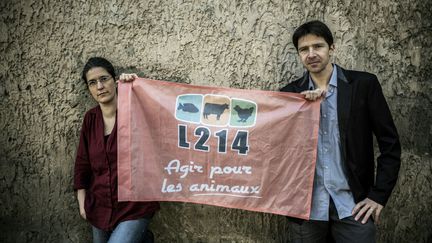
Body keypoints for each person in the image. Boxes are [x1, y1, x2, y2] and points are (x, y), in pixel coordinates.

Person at [280, 20, 401, 243]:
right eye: (304, 50)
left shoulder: (363, 85)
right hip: (306, 209)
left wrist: (378, 196)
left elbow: (390, 144)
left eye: (318, 46)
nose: (311, 54)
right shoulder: (290, 94)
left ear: (332, 48)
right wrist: (300, 109)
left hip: (352, 205)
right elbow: (275, 146)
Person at [74, 57, 159, 243]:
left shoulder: (135, 110)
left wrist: (135, 89)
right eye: (93, 83)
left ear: (115, 80)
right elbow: (82, 163)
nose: (100, 86)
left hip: (133, 207)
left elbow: (157, 119)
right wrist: (82, 202)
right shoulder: (90, 119)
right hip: (99, 208)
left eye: (104, 79)